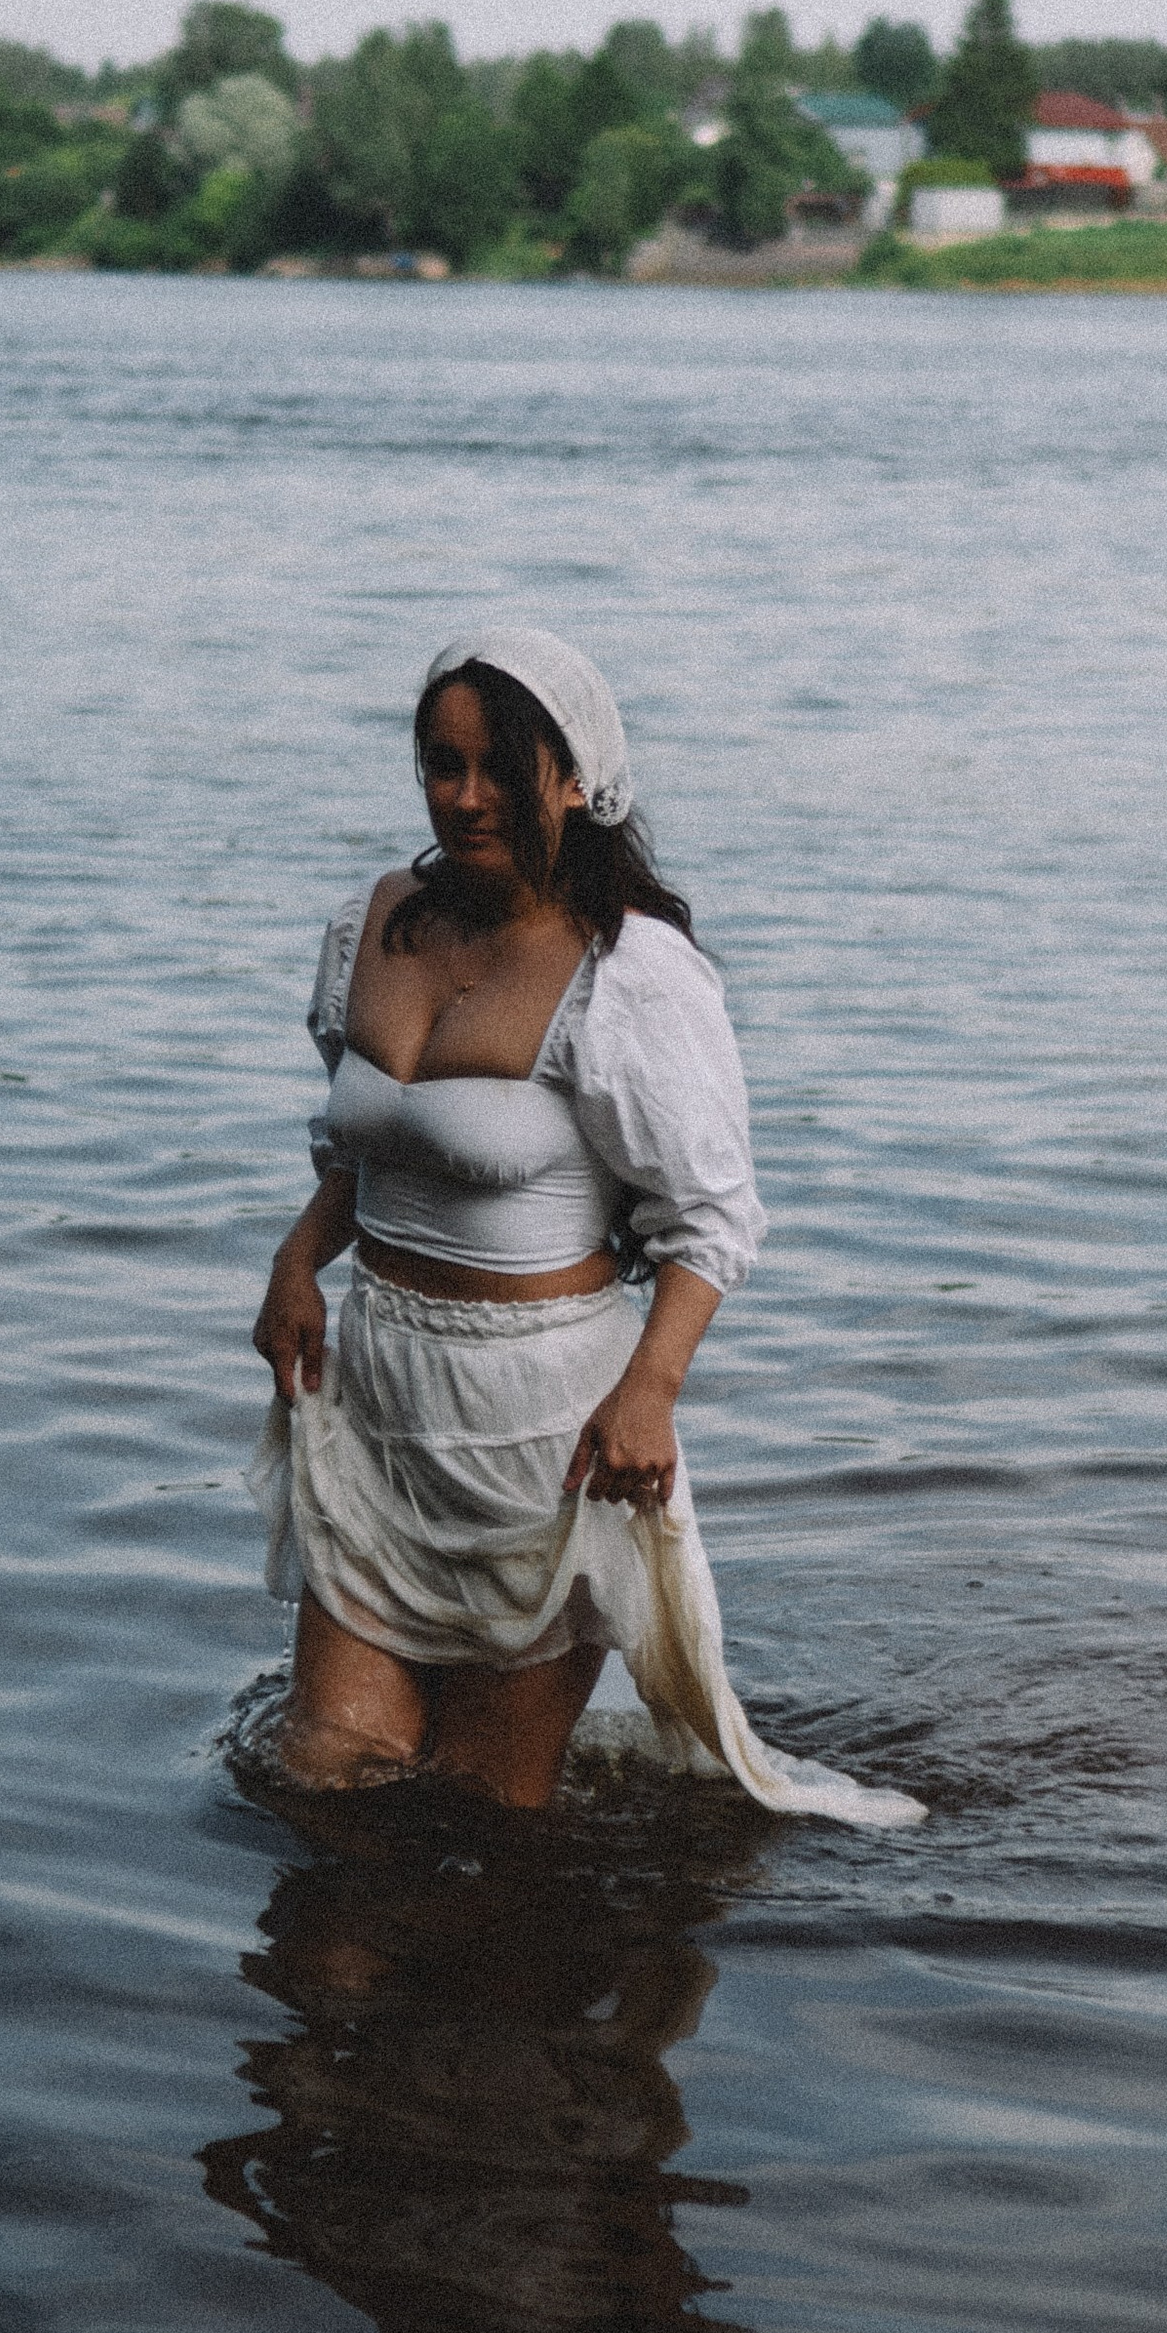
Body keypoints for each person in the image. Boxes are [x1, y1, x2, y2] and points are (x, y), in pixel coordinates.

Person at [249, 630, 924, 1825]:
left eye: (498, 769)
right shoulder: (375, 925)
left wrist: (650, 1392)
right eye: (440, 765)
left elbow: (710, 1222)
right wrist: (300, 1260)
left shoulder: (632, 973)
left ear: (574, 778)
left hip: (539, 1440)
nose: (464, 799)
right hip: (375, 1406)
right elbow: (363, 1148)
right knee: (324, 1787)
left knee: (490, 1821)